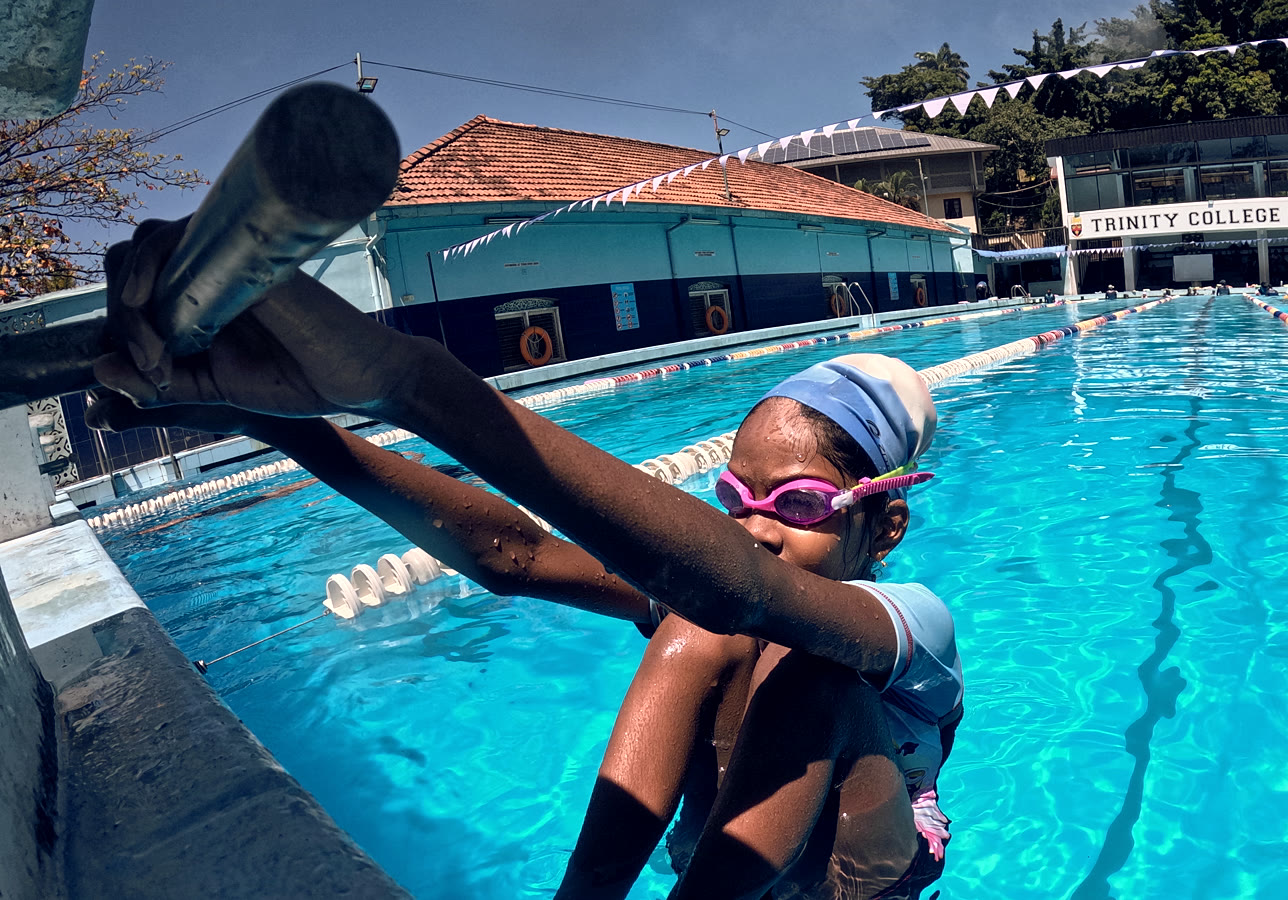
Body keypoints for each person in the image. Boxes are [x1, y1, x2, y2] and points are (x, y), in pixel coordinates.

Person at [89, 218, 964, 900]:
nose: (758, 529)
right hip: (728, 865)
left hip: (861, 878)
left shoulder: (914, 624)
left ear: (882, 529)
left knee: (807, 673)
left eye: (801, 506)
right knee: (692, 631)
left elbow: (743, 588)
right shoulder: (719, 604)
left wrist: (409, 381)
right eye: (737, 499)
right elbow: (508, 552)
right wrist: (272, 424)